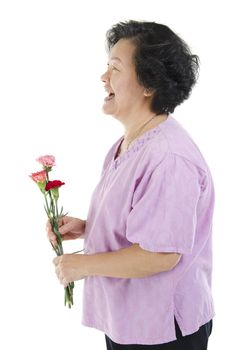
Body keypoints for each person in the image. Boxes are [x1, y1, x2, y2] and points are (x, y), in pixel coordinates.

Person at [47, 20, 215, 349]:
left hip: (164, 330)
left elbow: (160, 255)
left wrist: (81, 265)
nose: (103, 77)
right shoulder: (133, 141)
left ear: (148, 84)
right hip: (131, 321)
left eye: (115, 67)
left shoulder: (167, 157)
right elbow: (143, 221)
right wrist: (87, 227)